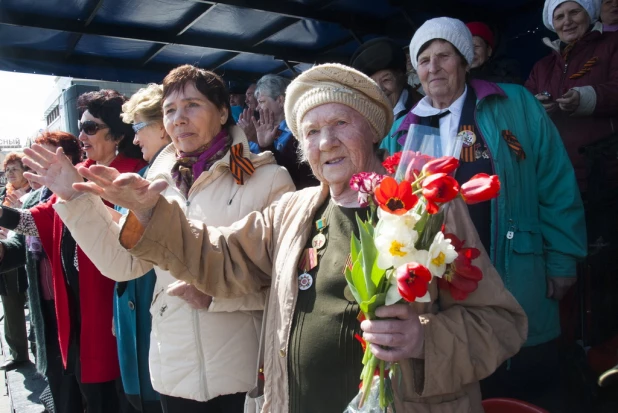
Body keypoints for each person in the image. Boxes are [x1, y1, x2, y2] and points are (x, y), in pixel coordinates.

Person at [43, 63, 529, 413]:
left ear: (373, 128)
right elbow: (221, 256)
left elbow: (501, 324)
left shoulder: (428, 205)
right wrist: (154, 210)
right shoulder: (295, 209)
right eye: (311, 131)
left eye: (340, 124)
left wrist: (424, 337)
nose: (325, 142)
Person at [25, 65, 295, 413]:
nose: (179, 119)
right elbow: (124, 264)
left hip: (245, 375)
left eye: (193, 106)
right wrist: (74, 198)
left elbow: (285, 286)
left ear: (223, 111)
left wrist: (215, 297)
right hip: (173, 371)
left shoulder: (267, 179)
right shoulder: (156, 184)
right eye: (170, 110)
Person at [399, 17, 586, 411]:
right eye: (424, 59)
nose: (433, 66)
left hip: (513, 271)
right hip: (440, 289)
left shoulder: (514, 103)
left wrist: (563, 257)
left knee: (525, 386)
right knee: (463, 388)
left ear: (465, 60)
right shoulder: (401, 128)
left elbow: (554, 181)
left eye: (444, 55)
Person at [0, 89, 146, 413]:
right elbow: (35, 220)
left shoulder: (136, 178)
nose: (81, 135)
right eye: (81, 126)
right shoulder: (81, 173)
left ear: (118, 134)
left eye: (91, 127)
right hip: (77, 316)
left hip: (115, 319)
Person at [0, 132, 83, 411]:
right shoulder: (33, 198)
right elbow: (18, 246)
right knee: (58, 381)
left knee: (87, 381)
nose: (34, 166)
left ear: (68, 160)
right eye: (33, 159)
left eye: (43, 157)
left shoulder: (83, 191)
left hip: (77, 305)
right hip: (46, 306)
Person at [114, 83, 172, 413]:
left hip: (158, 315)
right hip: (132, 311)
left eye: (138, 128)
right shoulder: (143, 172)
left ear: (162, 127)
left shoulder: (172, 177)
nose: (135, 139)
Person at [525, 0, 618, 193]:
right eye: (559, 16)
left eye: (574, 12)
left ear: (589, 14)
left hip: (605, 171)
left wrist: (585, 99)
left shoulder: (612, 44)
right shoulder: (542, 66)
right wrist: (537, 107)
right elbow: (524, 106)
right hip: (556, 174)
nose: (567, 22)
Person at [350, 37, 422, 156]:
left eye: (386, 80)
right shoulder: (362, 119)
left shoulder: (420, 113)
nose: (380, 90)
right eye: (372, 84)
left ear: (401, 77)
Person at [252, 74, 318, 188]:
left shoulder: (300, 131)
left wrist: (266, 146)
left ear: (280, 100)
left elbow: (289, 173)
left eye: (262, 101)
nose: (257, 108)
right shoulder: (262, 129)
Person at [0, 153, 31, 371]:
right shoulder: (4, 194)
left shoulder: (34, 192)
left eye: (15, 169)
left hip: (30, 255)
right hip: (7, 254)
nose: (10, 174)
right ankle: (18, 353)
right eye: (7, 170)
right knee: (10, 303)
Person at [237, 83, 260, 153]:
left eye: (250, 95)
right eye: (246, 96)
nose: (246, 101)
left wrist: (255, 138)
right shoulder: (248, 120)